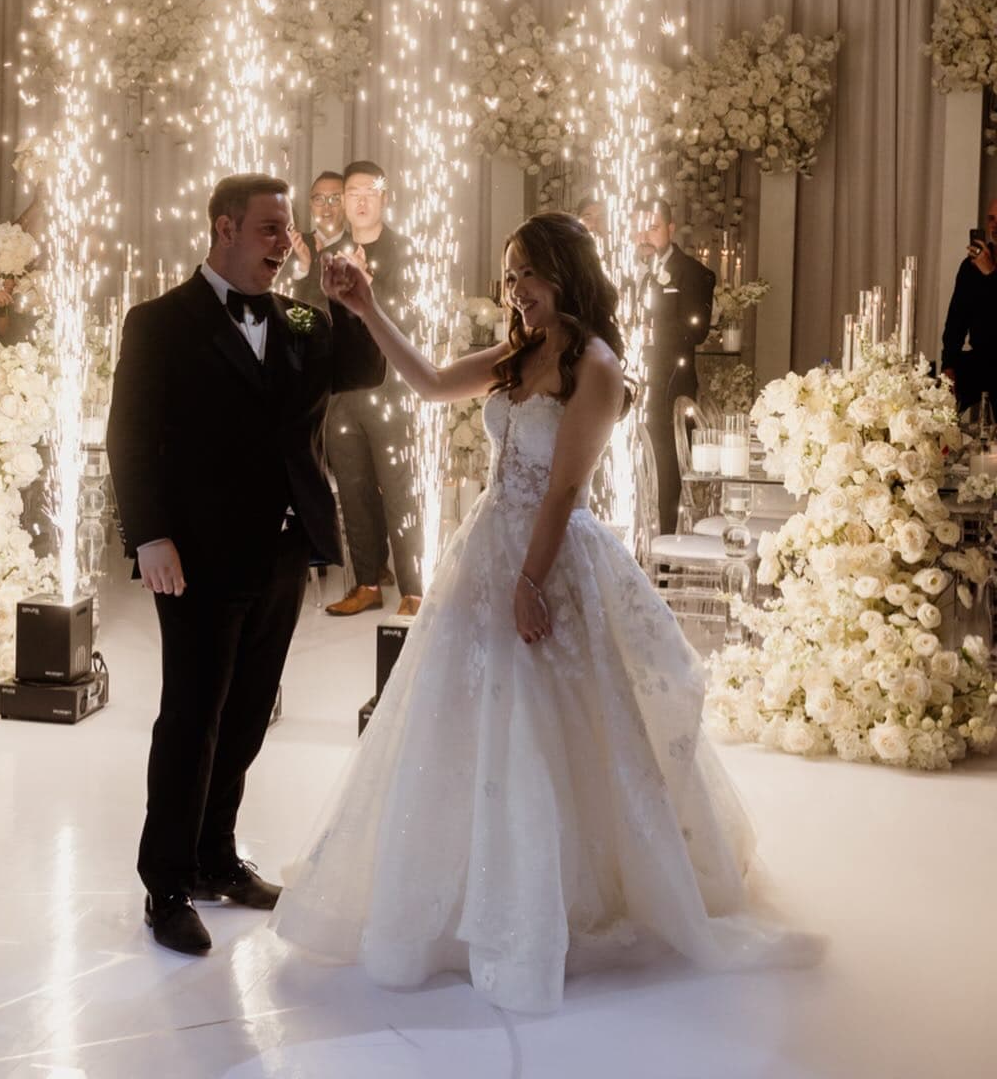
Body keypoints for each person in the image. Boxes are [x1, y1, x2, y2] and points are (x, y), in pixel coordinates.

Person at [270, 212, 816, 1013]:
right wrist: (367, 308)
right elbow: (427, 382)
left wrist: (530, 582)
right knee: (459, 722)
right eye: (511, 273)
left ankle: (548, 903)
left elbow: (564, 488)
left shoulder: (595, 364)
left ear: (565, 272)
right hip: (487, 549)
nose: (516, 289)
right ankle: (460, 890)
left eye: (528, 272)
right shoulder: (519, 353)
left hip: (548, 561)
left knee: (553, 726)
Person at [105, 173, 385, 958]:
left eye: (288, 231)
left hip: (286, 546)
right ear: (224, 227)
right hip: (194, 552)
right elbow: (129, 434)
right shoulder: (159, 321)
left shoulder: (298, 317)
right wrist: (150, 535)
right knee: (191, 718)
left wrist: (349, 298)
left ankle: (215, 858)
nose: (283, 243)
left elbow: (364, 373)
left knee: (248, 713)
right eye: (269, 229)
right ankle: (165, 883)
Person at [324, 160, 423, 618]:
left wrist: (371, 285)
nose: (360, 200)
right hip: (342, 391)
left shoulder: (403, 250)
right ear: (343, 202)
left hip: (391, 390)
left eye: (369, 191)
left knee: (399, 488)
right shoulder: (332, 251)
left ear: (384, 197)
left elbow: (414, 310)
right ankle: (366, 582)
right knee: (353, 488)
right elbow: (314, 310)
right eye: (351, 192)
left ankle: (414, 587)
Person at [634, 198, 715, 533]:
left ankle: (665, 547)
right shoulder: (630, 271)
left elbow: (696, 331)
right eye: (640, 228)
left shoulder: (693, 273)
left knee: (667, 469)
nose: (645, 236)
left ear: (670, 229)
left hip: (670, 385)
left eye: (653, 228)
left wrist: (653, 327)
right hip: (633, 380)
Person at [941, 197, 997, 416]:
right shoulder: (971, 265)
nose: (994, 225)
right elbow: (956, 318)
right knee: (933, 392)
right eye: (991, 219)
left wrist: (991, 275)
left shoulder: (985, 266)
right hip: (982, 359)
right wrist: (949, 365)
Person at [288, 170, 348, 312]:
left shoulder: (357, 249)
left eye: (335, 199)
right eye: (319, 199)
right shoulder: (293, 244)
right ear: (310, 204)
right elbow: (280, 302)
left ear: (346, 204)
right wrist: (303, 267)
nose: (326, 207)